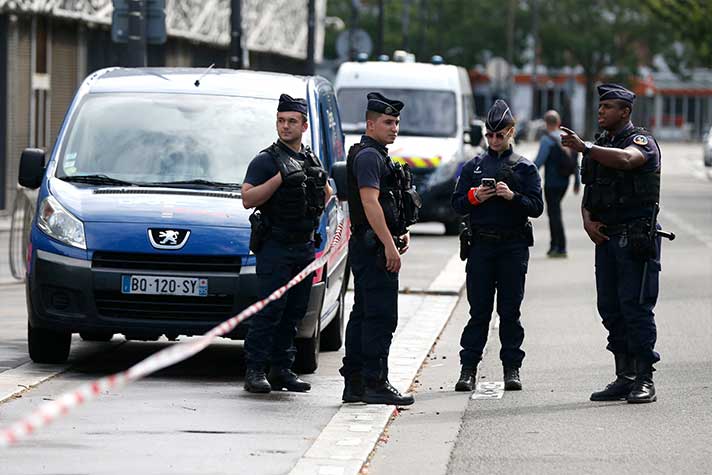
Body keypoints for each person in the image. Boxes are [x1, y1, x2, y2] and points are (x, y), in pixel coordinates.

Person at [560, 83, 662, 404]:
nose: (601, 111)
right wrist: (587, 218)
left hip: (635, 238)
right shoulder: (601, 143)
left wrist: (586, 147)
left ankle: (644, 378)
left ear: (625, 112)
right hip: (605, 237)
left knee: (635, 307)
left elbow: (629, 161)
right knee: (610, 307)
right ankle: (625, 376)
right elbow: (590, 188)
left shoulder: (640, 142)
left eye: (608, 107)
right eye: (600, 106)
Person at [241, 93, 331, 394]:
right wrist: (279, 179)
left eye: (292, 121)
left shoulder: (310, 158)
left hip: (304, 247)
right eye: (281, 121)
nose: (285, 126)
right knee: (269, 311)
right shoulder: (266, 160)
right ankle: (255, 370)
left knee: (294, 311)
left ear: (304, 125)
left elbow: (327, 191)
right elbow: (247, 198)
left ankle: (282, 369)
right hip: (276, 247)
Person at [452, 99, 543, 392]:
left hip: (512, 247)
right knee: (478, 311)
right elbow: (456, 204)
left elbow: (537, 207)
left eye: (499, 134)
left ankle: (511, 368)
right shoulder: (473, 167)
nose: (493, 140)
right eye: (489, 135)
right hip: (481, 246)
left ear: (511, 131)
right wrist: (475, 197)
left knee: (510, 311)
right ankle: (468, 369)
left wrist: (512, 196)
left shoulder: (525, 168)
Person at [339, 92, 420, 406]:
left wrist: (399, 232)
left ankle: (356, 383)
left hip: (370, 245)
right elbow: (370, 203)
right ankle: (375, 382)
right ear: (370, 123)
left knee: (363, 314)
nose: (394, 127)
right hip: (373, 248)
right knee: (380, 317)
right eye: (388, 122)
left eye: (397, 122)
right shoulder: (370, 156)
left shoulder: (373, 153)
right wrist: (389, 244)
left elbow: (386, 202)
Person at [534, 110, 581, 258]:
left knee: (554, 214)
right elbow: (576, 163)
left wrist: (525, 175)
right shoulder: (567, 139)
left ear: (546, 123)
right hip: (564, 182)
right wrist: (577, 182)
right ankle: (555, 245)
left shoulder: (547, 140)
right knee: (556, 212)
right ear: (558, 123)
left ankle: (559, 247)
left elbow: (539, 162)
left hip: (552, 183)